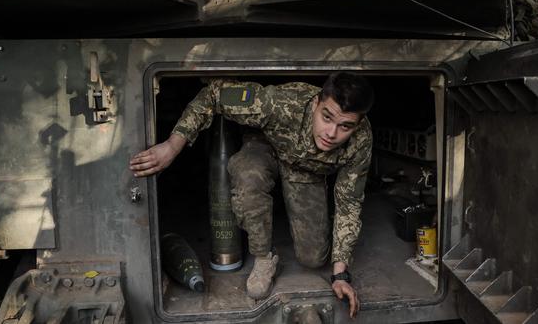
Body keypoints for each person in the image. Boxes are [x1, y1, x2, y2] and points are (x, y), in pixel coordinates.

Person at [129, 72, 374, 318]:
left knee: (313, 259)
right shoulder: (278, 103)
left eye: (345, 126)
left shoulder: (361, 140)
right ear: (315, 104)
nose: (331, 133)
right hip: (265, 146)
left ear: (358, 123)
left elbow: (349, 202)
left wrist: (340, 274)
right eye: (326, 117)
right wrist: (173, 145)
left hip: (304, 170)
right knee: (248, 173)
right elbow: (214, 94)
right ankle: (264, 256)